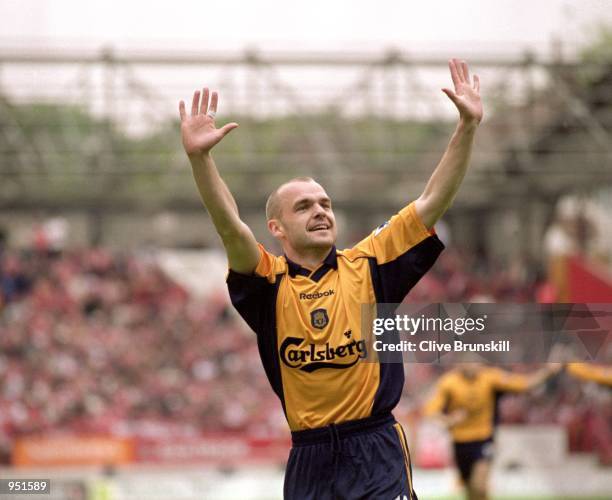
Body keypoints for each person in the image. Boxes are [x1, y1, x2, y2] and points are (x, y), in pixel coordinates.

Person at [179, 59, 483, 500]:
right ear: (276, 229)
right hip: (311, 457)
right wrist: (200, 159)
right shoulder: (268, 283)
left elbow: (433, 198)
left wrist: (468, 126)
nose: (320, 211)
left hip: (375, 449)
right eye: (303, 206)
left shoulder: (371, 263)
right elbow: (230, 227)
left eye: (325, 203)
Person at [423, 363, 560, 500]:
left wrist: (549, 371)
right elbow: (430, 411)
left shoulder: (490, 378)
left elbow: (525, 384)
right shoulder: (448, 382)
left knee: (480, 485)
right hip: (460, 441)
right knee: (471, 489)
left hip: (484, 438)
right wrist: (450, 420)